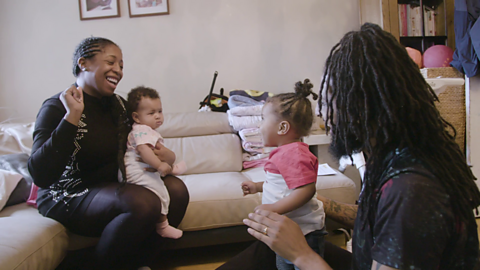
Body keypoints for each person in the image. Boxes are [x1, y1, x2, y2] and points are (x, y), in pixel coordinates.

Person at [219, 23, 480, 270]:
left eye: (330, 100)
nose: (323, 112)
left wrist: (302, 254)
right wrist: (309, 201)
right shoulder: (394, 154)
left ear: (361, 106)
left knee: (288, 246)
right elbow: (376, 219)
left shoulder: (410, 190)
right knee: (271, 245)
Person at [27, 37, 189, 270]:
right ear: (83, 63)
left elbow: (143, 142)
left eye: (121, 65)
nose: (118, 71)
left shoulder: (120, 106)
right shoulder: (56, 106)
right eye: (111, 62)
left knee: (177, 190)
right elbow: (40, 174)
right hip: (68, 194)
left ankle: (140, 263)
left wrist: (166, 156)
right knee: (143, 202)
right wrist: (72, 116)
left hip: (115, 188)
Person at [241, 79, 325, 270]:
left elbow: (306, 189)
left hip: (304, 233)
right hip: (287, 233)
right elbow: (281, 182)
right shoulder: (284, 152)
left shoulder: (294, 153)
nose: (259, 125)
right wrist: (257, 187)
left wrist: (275, 208)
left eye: (263, 119)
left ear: (282, 128)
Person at [125, 86, 187, 239]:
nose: (158, 116)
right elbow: (144, 150)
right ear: (137, 117)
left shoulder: (147, 130)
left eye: (160, 111)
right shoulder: (142, 130)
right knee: (160, 192)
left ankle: (172, 169)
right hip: (137, 172)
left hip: (143, 169)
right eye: (151, 113)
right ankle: (162, 226)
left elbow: (158, 152)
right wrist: (159, 166)